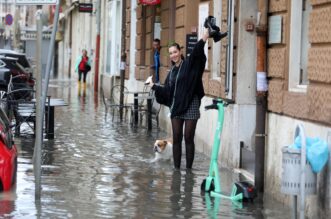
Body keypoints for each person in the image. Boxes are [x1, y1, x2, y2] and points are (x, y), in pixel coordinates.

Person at [146, 29, 209, 170]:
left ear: (180, 51)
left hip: (191, 104)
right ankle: (177, 170)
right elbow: (167, 91)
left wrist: (204, 37)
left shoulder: (189, 65)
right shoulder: (172, 72)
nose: (173, 55)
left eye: (175, 52)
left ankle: (188, 171)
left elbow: (195, 53)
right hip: (177, 107)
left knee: (188, 138)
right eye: (170, 53)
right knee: (177, 138)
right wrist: (153, 86)